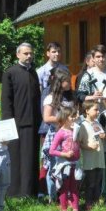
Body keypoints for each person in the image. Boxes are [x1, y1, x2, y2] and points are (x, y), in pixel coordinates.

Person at [1, 42, 41, 197]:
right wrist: (7, 124)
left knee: (31, 159)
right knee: (16, 158)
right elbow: (6, 100)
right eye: (26, 53)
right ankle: (15, 192)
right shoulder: (10, 73)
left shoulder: (33, 73)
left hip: (33, 123)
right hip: (16, 123)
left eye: (31, 53)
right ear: (18, 54)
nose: (29, 56)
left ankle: (30, 191)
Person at [41, 69, 76, 201]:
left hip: (70, 134)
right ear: (60, 82)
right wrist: (64, 118)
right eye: (67, 80)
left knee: (68, 164)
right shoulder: (51, 98)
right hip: (56, 134)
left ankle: (66, 193)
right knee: (54, 166)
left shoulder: (70, 96)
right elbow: (47, 118)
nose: (69, 83)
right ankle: (53, 196)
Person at [48, 106, 81, 211]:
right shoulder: (61, 133)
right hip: (65, 165)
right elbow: (51, 150)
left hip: (75, 164)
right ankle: (64, 209)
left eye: (75, 116)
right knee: (64, 187)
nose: (74, 118)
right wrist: (64, 154)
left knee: (74, 187)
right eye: (72, 116)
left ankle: (76, 208)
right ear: (65, 118)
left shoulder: (75, 129)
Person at [77, 101, 105, 211]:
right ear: (87, 111)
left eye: (98, 110)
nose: (98, 112)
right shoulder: (83, 125)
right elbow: (79, 143)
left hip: (99, 158)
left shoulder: (97, 123)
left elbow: (100, 134)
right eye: (95, 110)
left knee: (98, 182)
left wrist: (103, 135)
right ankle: (88, 203)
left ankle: (96, 201)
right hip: (90, 161)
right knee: (90, 183)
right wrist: (89, 146)